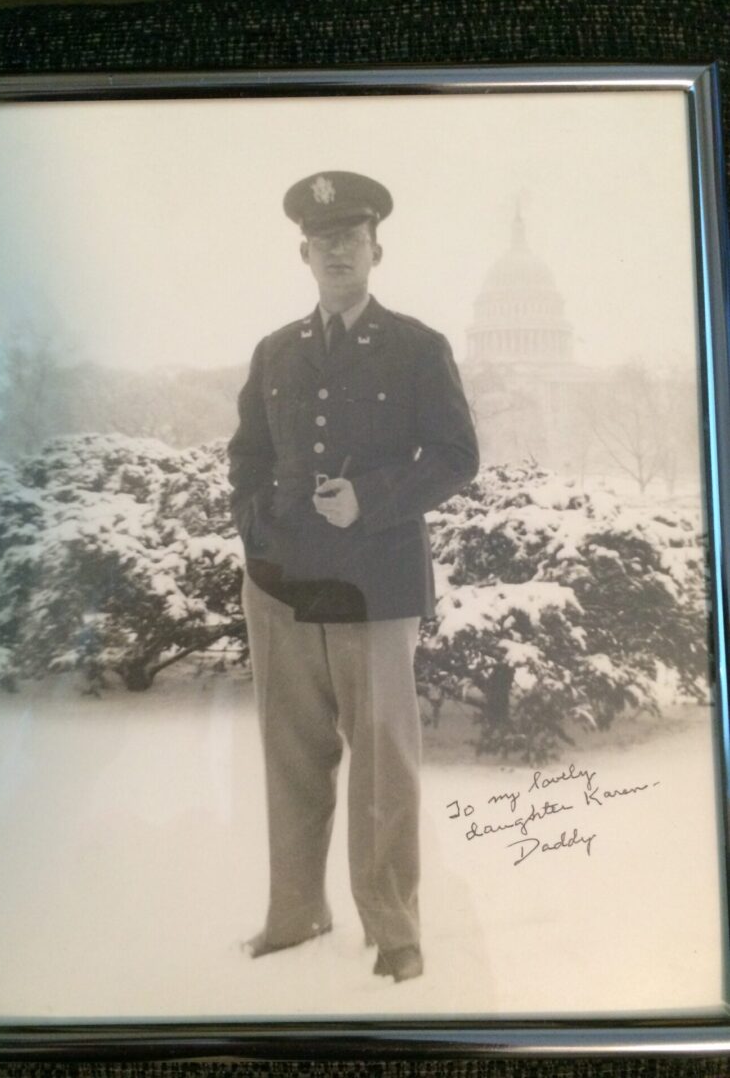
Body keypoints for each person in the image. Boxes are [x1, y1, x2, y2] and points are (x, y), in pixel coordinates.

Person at [227, 171, 479, 983]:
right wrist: (259, 525)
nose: (338, 251)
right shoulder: (274, 351)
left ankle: (394, 930)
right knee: (291, 758)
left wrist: (369, 500)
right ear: (304, 253)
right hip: (279, 585)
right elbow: (247, 455)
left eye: (352, 237)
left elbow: (456, 457)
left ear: (377, 249)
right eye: (323, 240)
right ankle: (295, 914)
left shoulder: (417, 346)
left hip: (374, 584)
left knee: (383, 764)